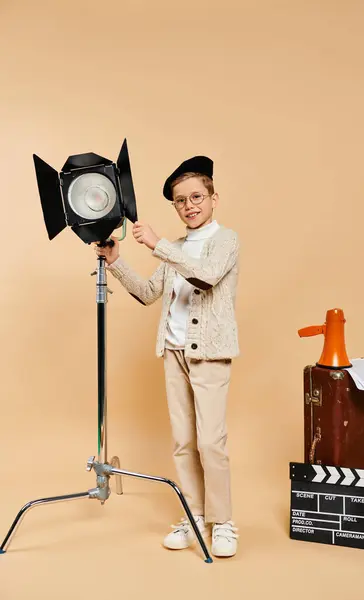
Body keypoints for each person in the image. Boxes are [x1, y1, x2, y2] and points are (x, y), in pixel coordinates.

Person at [94, 156, 240, 557]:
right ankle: (193, 517)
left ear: (213, 198)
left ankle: (223, 522)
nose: (190, 205)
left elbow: (206, 276)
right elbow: (146, 293)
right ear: (174, 206)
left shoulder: (225, 241)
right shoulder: (175, 249)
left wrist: (157, 245)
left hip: (209, 355)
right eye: (181, 200)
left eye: (197, 196)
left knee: (211, 443)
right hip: (173, 353)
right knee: (183, 442)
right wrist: (117, 261)